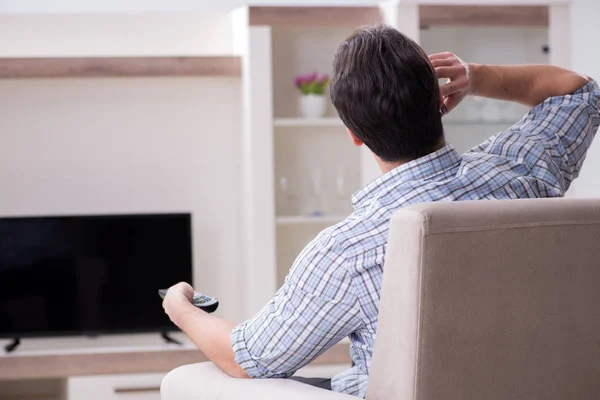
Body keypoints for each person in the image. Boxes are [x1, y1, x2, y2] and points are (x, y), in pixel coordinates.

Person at [161, 24, 599, 398]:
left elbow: (247, 357)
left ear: (354, 134)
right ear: (441, 102)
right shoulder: (520, 173)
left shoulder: (347, 251)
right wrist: (476, 75)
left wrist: (182, 309)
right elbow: (580, 93)